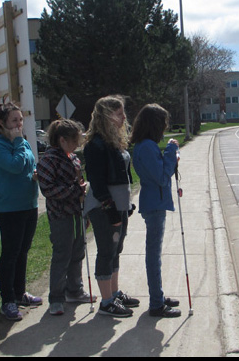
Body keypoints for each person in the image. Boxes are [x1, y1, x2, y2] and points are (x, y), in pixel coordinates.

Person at [0, 98, 42, 321]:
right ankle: (7, 300)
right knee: (10, 254)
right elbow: (15, 165)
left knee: (23, 251)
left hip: (29, 204)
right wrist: (19, 143)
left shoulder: (23, 142)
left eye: (21, 120)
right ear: (2, 123)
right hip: (11, 208)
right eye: (14, 120)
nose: (19, 124)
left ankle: (20, 293)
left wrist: (36, 174)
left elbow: (30, 165)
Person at [83, 95, 139, 317]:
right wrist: (111, 210)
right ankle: (106, 302)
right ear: (105, 116)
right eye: (118, 113)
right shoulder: (95, 145)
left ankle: (114, 294)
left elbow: (123, 177)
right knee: (106, 251)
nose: (123, 117)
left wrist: (126, 205)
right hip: (103, 206)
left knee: (116, 249)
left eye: (123, 112)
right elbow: (97, 183)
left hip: (119, 205)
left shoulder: (114, 141)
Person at [37, 119, 96, 316]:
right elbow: (49, 190)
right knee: (62, 255)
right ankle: (56, 298)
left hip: (77, 214)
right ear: (62, 140)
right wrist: (75, 192)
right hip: (60, 216)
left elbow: (79, 184)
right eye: (74, 141)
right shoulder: (48, 160)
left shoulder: (73, 159)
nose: (77, 145)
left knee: (78, 252)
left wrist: (83, 203)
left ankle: (75, 290)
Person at [130, 104, 182, 318]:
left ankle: (158, 296)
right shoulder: (148, 147)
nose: (164, 128)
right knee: (153, 255)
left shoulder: (146, 146)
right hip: (154, 205)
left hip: (154, 203)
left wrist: (170, 156)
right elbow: (162, 177)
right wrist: (171, 151)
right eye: (163, 124)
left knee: (155, 254)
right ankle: (156, 303)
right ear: (155, 125)